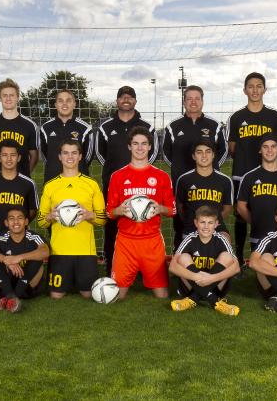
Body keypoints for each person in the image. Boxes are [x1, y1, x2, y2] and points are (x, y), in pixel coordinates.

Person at [106, 126, 176, 299]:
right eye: (135, 143)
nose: (140, 148)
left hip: (151, 241)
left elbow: (172, 210)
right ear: (129, 146)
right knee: (118, 296)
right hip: (126, 241)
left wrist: (160, 208)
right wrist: (120, 210)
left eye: (144, 144)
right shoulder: (117, 176)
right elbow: (109, 213)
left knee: (162, 296)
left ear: (150, 147)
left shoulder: (161, 177)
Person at [96, 86, 157, 276]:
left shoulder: (147, 126)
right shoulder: (105, 127)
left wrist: (138, 172)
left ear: (135, 101)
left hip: (142, 184)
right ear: (117, 101)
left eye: (130, 97)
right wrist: (118, 175)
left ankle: (141, 268)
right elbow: (100, 154)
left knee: (141, 221)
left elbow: (152, 152)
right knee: (113, 223)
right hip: (114, 184)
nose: (126, 100)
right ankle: (112, 266)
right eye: (122, 97)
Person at [38, 139, 106, 299]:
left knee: (88, 294)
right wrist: (50, 216)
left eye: (74, 153)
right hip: (59, 251)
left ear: (80, 156)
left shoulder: (91, 184)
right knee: (56, 295)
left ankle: (80, 280)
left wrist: (90, 215)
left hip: (85, 251)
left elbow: (102, 220)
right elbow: (41, 221)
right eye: (66, 153)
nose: (70, 157)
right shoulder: (50, 186)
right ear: (60, 157)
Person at [227, 72, 277, 260]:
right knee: (240, 215)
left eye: (259, 86)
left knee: (270, 212)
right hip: (242, 174)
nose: (255, 90)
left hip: (268, 173)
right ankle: (239, 257)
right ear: (245, 90)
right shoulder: (236, 117)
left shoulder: (275, 117)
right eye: (250, 86)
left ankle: (274, 254)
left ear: (264, 90)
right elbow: (232, 148)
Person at [163, 85, 227, 248]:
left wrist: (207, 169)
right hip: (181, 182)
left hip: (210, 183)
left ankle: (213, 254)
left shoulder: (214, 125)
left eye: (197, 98)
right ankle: (180, 256)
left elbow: (223, 150)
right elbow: (166, 153)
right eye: (189, 98)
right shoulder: (173, 126)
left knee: (211, 222)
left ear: (202, 101)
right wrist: (182, 170)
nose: (193, 102)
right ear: (184, 102)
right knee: (181, 223)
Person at [169, 206, 240, 316]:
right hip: (191, 286)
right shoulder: (190, 238)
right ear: (196, 223)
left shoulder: (221, 240)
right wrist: (196, 277)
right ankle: (214, 301)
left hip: (216, 286)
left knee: (227, 257)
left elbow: (236, 268)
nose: (206, 226)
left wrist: (212, 278)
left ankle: (192, 299)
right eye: (202, 222)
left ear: (216, 224)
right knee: (183, 258)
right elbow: (172, 267)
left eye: (210, 223)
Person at [236, 134, 277, 251]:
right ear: (260, 150)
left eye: (273, 146)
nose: (269, 150)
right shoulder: (249, 177)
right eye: (265, 147)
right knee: (261, 268)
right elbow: (241, 206)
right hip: (258, 236)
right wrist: (254, 221)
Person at [0, 206, 49, 313]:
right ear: (6, 223)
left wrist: (18, 258)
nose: (16, 221)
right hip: (5, 285)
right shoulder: (0, 237)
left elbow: (45, 251)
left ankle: (11, 297)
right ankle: (11, 296)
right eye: (12, 218)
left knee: (38, 258)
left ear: (26, 221)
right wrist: (5, 259)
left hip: (27, 288)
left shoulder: (33, 237)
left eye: (20, 218)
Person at [175, 139, 233, 242]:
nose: (204, 155)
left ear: (213, 155)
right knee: (186, 257)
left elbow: (227, 207)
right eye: (199, 152)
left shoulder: (225, 180)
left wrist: (212, 223)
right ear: (193, 156)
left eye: (208, 151)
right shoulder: (184, 180)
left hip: (216, 228)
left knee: (225, 240)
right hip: (191, 229)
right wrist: (190, 221)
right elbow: (179, 207)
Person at [0, 140, 39, 240]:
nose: (9, 159)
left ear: (19, 158)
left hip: (19, 232)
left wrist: (19, 224)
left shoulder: (28, 184)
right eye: (4, 155)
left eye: (13, 155)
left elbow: (33, 210)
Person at [0, 78, 38, 177]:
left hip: (21, 180)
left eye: (11, 95)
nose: (8, 98)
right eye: (5, 95)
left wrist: (25, 174)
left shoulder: (29, 125)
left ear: (17, 97)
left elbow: (34, 156)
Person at [39, 89, 93, 183]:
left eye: (68, 100)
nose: (64, 104)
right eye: (60, 101)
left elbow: (88, 157)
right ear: (55, 105)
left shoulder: (85, 128)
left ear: (74, 104)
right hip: (52, 181)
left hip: (79, 182)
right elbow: (45, 155)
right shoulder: (45, 128)